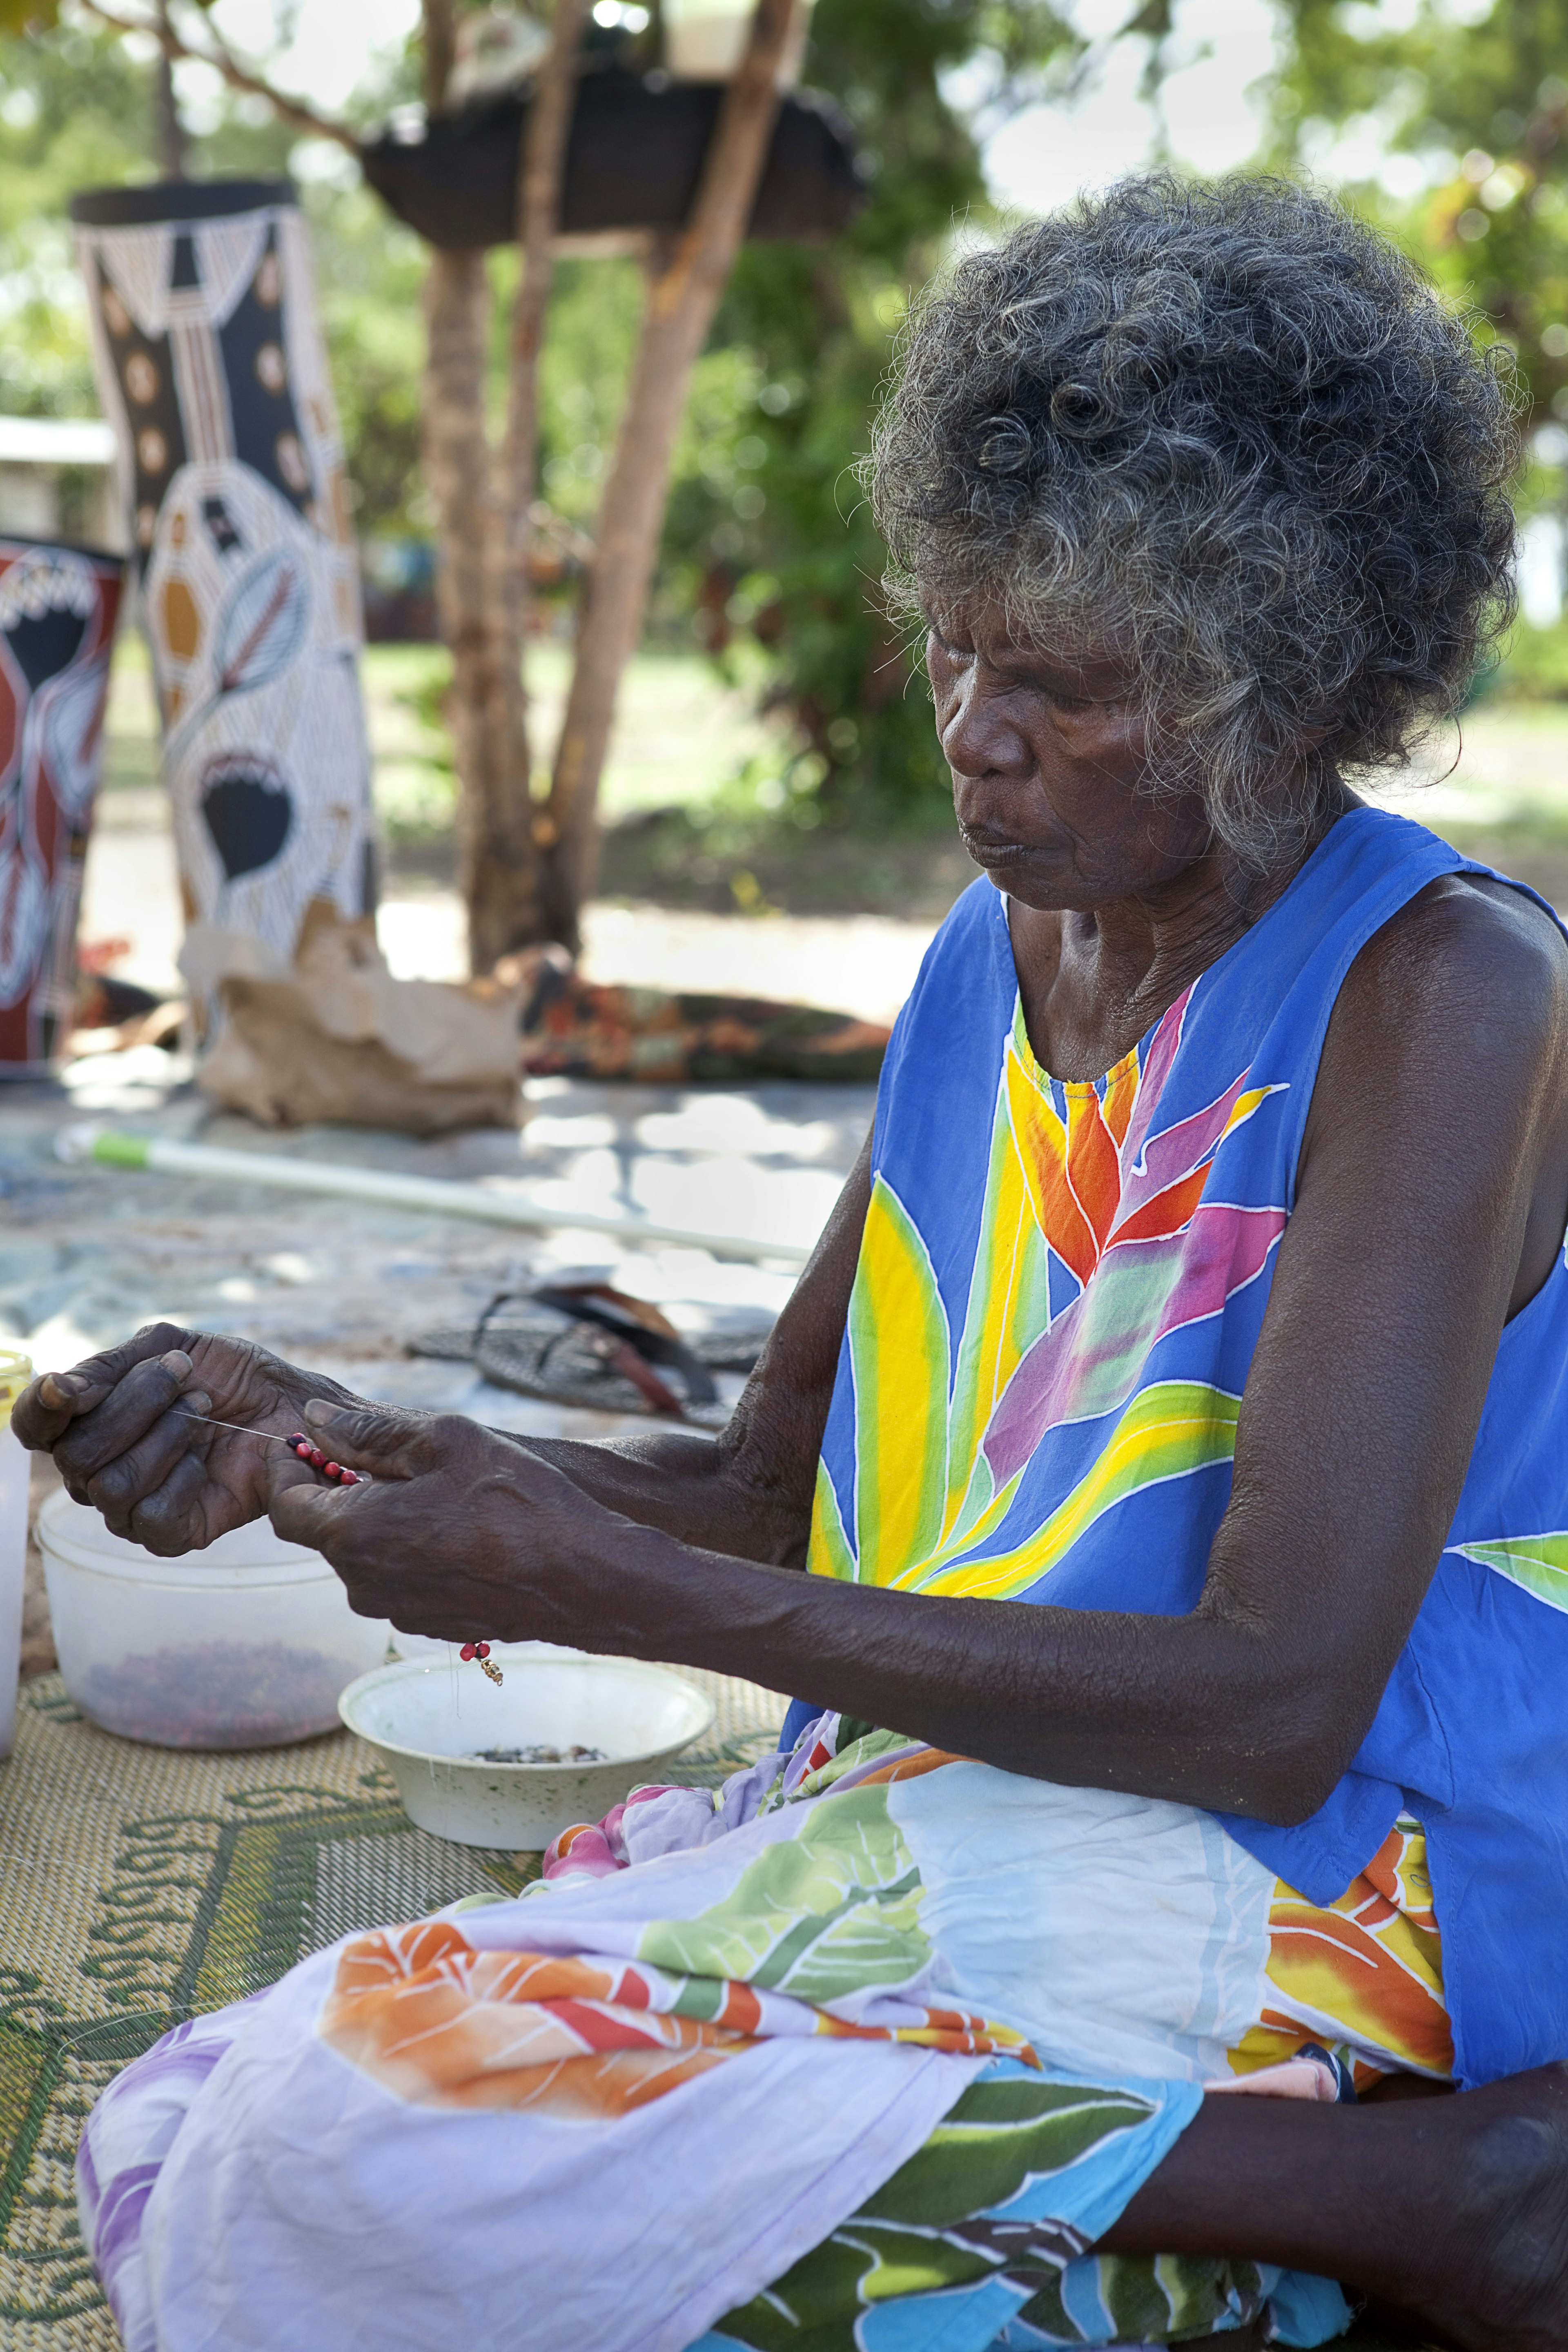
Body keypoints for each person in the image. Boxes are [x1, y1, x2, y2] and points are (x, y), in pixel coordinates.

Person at [22, 174, 1568, 2352]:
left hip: (1336, 1880)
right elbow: (774, 1492)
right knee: (218, 2137)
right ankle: (1282, 2208)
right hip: (1017, 1795)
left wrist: (598, 1583)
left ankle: (1405, 2184)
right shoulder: (994, 951)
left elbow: (1274, 1704)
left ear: (1278, 688)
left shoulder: (1446, 991)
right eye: (951, 640)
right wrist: (341, 1436)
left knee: (356, 2165)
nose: (972, 729)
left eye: (1066, 681)